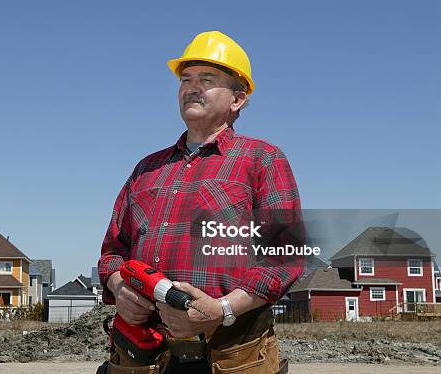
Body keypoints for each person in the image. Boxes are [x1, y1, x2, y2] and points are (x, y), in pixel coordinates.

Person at [98, 31, 303, 374]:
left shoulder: (261, 159)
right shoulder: (147, 168)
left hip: (229, 352)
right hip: (143, 353)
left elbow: (285, 258)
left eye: (206, 79)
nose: (192, 87)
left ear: (237, 100)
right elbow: (113, 252)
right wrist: (119, 287)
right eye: (185, 79)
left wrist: (222, 308)